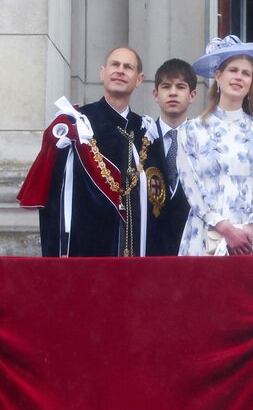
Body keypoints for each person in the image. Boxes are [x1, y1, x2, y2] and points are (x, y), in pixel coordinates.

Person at [18, 46, 159, 256]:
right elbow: (55, 194)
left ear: (139, 80)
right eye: (115, 64)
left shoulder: (145, 130)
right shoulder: (77, 123)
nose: (120, 70)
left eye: (128, 67)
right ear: (102, 72)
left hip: (134, 252)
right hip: (84, 249)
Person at [176, 37, 253, 256]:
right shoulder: (191, 131)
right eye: (233, 70)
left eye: (246, 73)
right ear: (218, 75)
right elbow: (192, 187)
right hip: (205, 238)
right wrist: (225, 228)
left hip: (249, 242)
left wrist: (248, 229)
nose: (238, 77)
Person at [146, 58, 198, 256]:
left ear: (192, 95)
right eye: (166, 86)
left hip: (191, 249)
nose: (173, 93)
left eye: (181, 87)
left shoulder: (202, 142)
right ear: (156, 94)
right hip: (150, 250)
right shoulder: (142, 140)